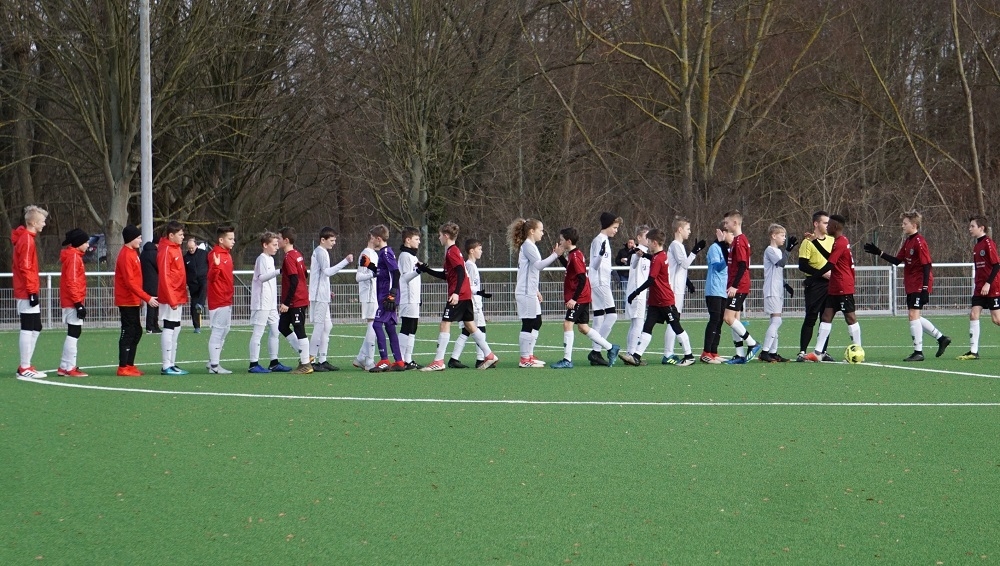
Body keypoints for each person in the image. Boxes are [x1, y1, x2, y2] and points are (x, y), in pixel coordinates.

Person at [863, 210, 951, 361]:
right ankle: (941, 338)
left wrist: (925, 288)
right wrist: (879, 252)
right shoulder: (908, 241)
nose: (902, 226)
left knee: (913, 315)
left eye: (905, 223)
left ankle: (918, 352)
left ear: (914, 225)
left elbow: (927, 265)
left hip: (919, 283)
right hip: (911, 283)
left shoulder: (919, 242)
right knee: (914, 316)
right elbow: (897, 261)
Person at [421, 222, 499, 371]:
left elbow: (461, 272)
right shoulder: (452, 252)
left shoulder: (452, 251)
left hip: (459, 295)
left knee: (445, 324)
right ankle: (489, 355)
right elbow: (446, 275)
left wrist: (456, 293)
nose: (439, 238)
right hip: (464, 294)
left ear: (445, 236)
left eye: (439, 235)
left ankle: (438, 361)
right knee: (470, 325)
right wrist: (426, 270)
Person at [621, 228, 695, 367]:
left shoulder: (659, 258)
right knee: (647, 327)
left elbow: (651, 280)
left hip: (664, 300)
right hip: (655, 301)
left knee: (676, 326)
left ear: (654, 243)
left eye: (649, 241)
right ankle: (636, 356)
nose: (648, 244)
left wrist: (635, 293)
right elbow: (654, 259)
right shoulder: (660, 255)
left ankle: (689, 356)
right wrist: (644, 255)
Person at [552, 227, 620, 369]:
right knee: (583, 327)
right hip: (583, 296)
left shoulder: (575, 256)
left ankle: (567, 360)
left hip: (580, 297)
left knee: (567, 324)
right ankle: (611, 347)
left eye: (562, 240)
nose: (560, 242)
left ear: (568, 241)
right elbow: (570, 269)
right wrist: (559, 256)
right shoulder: (574, 254)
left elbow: (582, 278)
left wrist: (574, 299)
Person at [804, 215, 862, 361]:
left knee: (850, 317)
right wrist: (815, 241)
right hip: (835, 285)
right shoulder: (838, 241)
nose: (827, 226)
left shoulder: (841, 242)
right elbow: (829, 257)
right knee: (826, 316)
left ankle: (858, 350)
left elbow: (829, 265)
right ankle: (818, 353)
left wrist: (812, 278)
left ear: (835, 227)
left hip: (843, 285)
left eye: (829, 224)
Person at [508, 218, 560, 368]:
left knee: (537, 321)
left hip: (530, 291)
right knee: (528, 323)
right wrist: (555, 255)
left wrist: (536, 290)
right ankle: (524, 359)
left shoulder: (531, 246)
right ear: (532, 231)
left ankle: (529, 355)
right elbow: (538, 266)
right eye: (540, 230)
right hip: (525, 293)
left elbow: (530, 271)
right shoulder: (528, 246)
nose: (542, 233)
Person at [114, 225, 159, 377]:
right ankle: (123, 366)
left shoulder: (133, 253)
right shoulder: (125, 255)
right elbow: (130, 282)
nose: (140, 240)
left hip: (133, 300)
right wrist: (147, 297)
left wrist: (141, 298)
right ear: (131, 238)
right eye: (138, 238)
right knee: (129, 331)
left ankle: (129, 364)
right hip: (126, 300)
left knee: (136, 331)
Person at [308, 227, 352, 372]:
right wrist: (345, 261)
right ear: (323, 240)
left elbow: (321, 276)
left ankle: (322, 360)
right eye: (331, 240)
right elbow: (327, 272)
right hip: (318, 297)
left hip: (323, 295)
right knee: (319, 327)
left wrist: (328, 291)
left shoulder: (323, 252)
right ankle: (310, 360)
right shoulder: (321, 252)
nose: (334, 243)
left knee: (327, 326)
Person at [722, 210, 763, 364]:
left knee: (728, 318)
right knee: (733, 319)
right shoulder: (736, 241)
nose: (725, 225)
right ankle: (739, 355)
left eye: (727, 222)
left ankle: (752, 343)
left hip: (739, 286)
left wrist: (734, 286)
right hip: (737, 285)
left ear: (735, 223)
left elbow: (742, 266)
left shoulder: (740, 241)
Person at [12, 205, 48, 379]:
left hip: (27, 289)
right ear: (33, 223)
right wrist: (32, 292)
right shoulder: (26, 240)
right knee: (28, 326)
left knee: (36, 326)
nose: (44, 224)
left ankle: (26, 365)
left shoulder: (27, 239)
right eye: (42, 221)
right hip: (26, 290)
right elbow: (25, 267)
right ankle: (24, 366)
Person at [663, 216, 705, 364]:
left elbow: (680, 268)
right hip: (674, 289)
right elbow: (685, 264)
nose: (690, 231)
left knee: (674, 320)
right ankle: (668, 353)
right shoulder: (676, 245)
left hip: (678, 287)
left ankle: (669, 352)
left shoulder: (678, 246)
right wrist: (695, 251)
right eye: (688, 229)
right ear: (680, 230)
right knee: (673, 320)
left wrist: (688, 283)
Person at [957, 216, 1000, 360]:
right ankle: (973, 352)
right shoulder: (976, 246)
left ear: (981, 228)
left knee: (997, 319)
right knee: (974, 314)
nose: (970, 229)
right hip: (979, 288)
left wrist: (988, 283)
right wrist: (980, 284)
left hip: (992, 286)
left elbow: (996, 265)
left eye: (972, 226)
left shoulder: (988, 243)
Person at [248, 231, 291, 373]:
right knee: (258, 332)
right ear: (265, 245)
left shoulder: (270, 259)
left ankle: (274, 362)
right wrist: (279, 271)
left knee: (275, 330)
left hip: (271, 303)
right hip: (262, 302)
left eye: (277, 244)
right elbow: (261, 278)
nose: (277, 247)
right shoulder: (261, 259)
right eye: (274, 244)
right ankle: (253, 364)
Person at [366, 224, 405, 372]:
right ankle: (399, 362)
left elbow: (395, 272)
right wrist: (370, 266)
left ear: (378, 238)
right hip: (385, 295)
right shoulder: (384, 253)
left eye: (372, 238)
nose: (371, 241)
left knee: (376, 324)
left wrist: (393, 293)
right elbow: (383, 272)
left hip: (387, 297)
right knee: (390, 327)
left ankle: (384, 360)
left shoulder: (386, 252)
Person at [450, 238, 492, 368]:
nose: (481, 251)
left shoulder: (471, 265)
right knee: (480, 329)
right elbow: (468, 286)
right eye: (479, 249)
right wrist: (479, 292)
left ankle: (454, 359)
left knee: (466, 331)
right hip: (473, 303)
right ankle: (480, 359)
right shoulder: (470, 266)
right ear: (472, 251)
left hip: (472, 302)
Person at [277, 226, 314, 374]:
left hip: (296, 300)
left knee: (299, 329)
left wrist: (287, 302)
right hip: (297, 298)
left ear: (286, 240)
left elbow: (294, 279)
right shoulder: (297, 254)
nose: (277, 241)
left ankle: (306, 364)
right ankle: (305, 355)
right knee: (282, 326)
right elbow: (304, 274)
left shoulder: (289, 257)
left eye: (279, 238)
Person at [797, 211, 832, 362]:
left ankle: (822, 352)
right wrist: (821, 273)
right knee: (811, 317)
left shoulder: (832, 240)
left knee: (826, 318)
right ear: (816, 224)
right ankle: (802, 351)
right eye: (825, 223)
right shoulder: (807, 242)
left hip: (830, 285)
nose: (828, 225)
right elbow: (803, 265)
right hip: (815, 284)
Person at [588, 212, 622, 365]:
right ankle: (597, 350)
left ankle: (595, 353)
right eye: (614, 227)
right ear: (607, 225)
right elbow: (595, 265)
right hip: (600, 282)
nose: (616, 230)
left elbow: (603, 263)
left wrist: (612, 271)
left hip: (600, 280)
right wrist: (601, 255)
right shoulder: (599, 241)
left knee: (598, 318)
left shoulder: (605, 240)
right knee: (612, 315)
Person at [759, 224, 795, 362]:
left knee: (774, 321)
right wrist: (788, 250)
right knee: (777, 320)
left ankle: (773, 352)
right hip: (771, 289)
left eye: (785, 236)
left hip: (778, 289)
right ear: (773, 236)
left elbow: (778, 271)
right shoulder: (770, 250)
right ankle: (765, 352)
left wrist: (785, 285)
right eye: (782, 235)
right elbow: (781, 264)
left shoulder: (779, 251)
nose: (784, 238)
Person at [58, 228, 91, 377]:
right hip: (72, 301)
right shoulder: (73, 257)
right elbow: (71, 281)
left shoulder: (74, 256)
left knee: (74, 331)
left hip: (71, 300)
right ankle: (69, 367)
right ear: (79, 243)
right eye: (86, 242)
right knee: (74, 332)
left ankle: (64, 366)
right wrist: (78, 303)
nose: (88, 245)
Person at [158, 221, 190, 375]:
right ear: (171, 235)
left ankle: (171, 363)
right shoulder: (166, 250)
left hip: (178, 295)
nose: (183, 237)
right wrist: (172, 299)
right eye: (180, 234)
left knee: (176, 328)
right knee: (169, 327)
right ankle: (166, 365)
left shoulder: (175, 248)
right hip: (171, 297)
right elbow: (164, 276)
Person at [206, 224, 236, 374]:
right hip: (218, 298)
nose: (233, 241)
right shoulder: (215, 254)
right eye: (230, 238)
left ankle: (212, 361)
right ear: (221, 240)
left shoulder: (227, 254)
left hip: (226, 298)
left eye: (233, 238)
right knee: (218, 331)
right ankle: (214, 366)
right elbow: (211, 278)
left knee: (225, 329)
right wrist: (216, 267)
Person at [700, 223, 730, 363]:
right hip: (714, 290)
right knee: (714, 319)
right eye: (730, 233)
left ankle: (714, 351)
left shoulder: (727, 249)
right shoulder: (714, 248)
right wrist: (727, 257)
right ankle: (706, 352)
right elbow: (717, 267)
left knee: (720, 320)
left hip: (723, 290)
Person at [622, 226, 651, 364]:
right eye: (646, 237)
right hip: (636, 293)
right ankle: (631, 354)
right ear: (639, 238)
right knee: (638, 324)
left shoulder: (647, 253)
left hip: (640, 293)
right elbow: (633, 264)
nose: (649, 240)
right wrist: (638, 256)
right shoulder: (637, 253)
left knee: (635, 324)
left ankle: (630, 352)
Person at [397, 227, 424, 369]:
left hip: (414, 298)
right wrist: (419, 270)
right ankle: (400, 359)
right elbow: (405, 277)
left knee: (413, 327)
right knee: (406, 326)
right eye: (416, 239)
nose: (419, 242)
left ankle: (408, 359)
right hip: (407, 297)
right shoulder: (405, 256)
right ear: (408, 240)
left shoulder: (412, 256)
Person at [352, 235, 379, 371]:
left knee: (375, 325)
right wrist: (372, 274)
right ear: (372, 238)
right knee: (373, 324)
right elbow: (358, 276)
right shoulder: (365, 253)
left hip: (374, 294)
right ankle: (369, 361)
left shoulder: (374, 253)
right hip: (369, 294)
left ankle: (361, 357)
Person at [184, 237, 208, 333]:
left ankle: (201, 304)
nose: (191, 250)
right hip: (192, 283)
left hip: (203, 278)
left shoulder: (204, 254)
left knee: (204, 286)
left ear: (196, 246)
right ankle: (196, 326)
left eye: (192, 248)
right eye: (189, 248)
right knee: (194, 303)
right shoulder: (186, 258)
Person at [140, 236, 161, 334]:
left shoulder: (143, 253)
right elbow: (159, 266)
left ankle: (153, 326)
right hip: (154, 282)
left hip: (145, 281)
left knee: (151, 304)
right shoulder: (154, 253)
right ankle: (152, 326)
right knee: (154, 305)